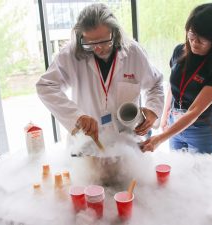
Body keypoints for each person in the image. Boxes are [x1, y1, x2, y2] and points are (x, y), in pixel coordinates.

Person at [36, 3, 164, 144]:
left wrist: (153, 110)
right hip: (88, 142)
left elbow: (155, 84)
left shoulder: (133, 52)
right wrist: (76, 117)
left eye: (104, 42)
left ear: (115, 33)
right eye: (90, 43)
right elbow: (45, 87)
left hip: (126, 142)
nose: (98, 49)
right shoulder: (70, 54)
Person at [140, 3, 212, 154]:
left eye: (202, 40)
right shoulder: (179, 51)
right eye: (191, 36)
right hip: (174, 121)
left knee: (200, 174)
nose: (194, 43)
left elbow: (195, 111)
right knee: (178, 169)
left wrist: (160, 138)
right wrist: (165, 116)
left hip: (201, 128)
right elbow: (173, 87)